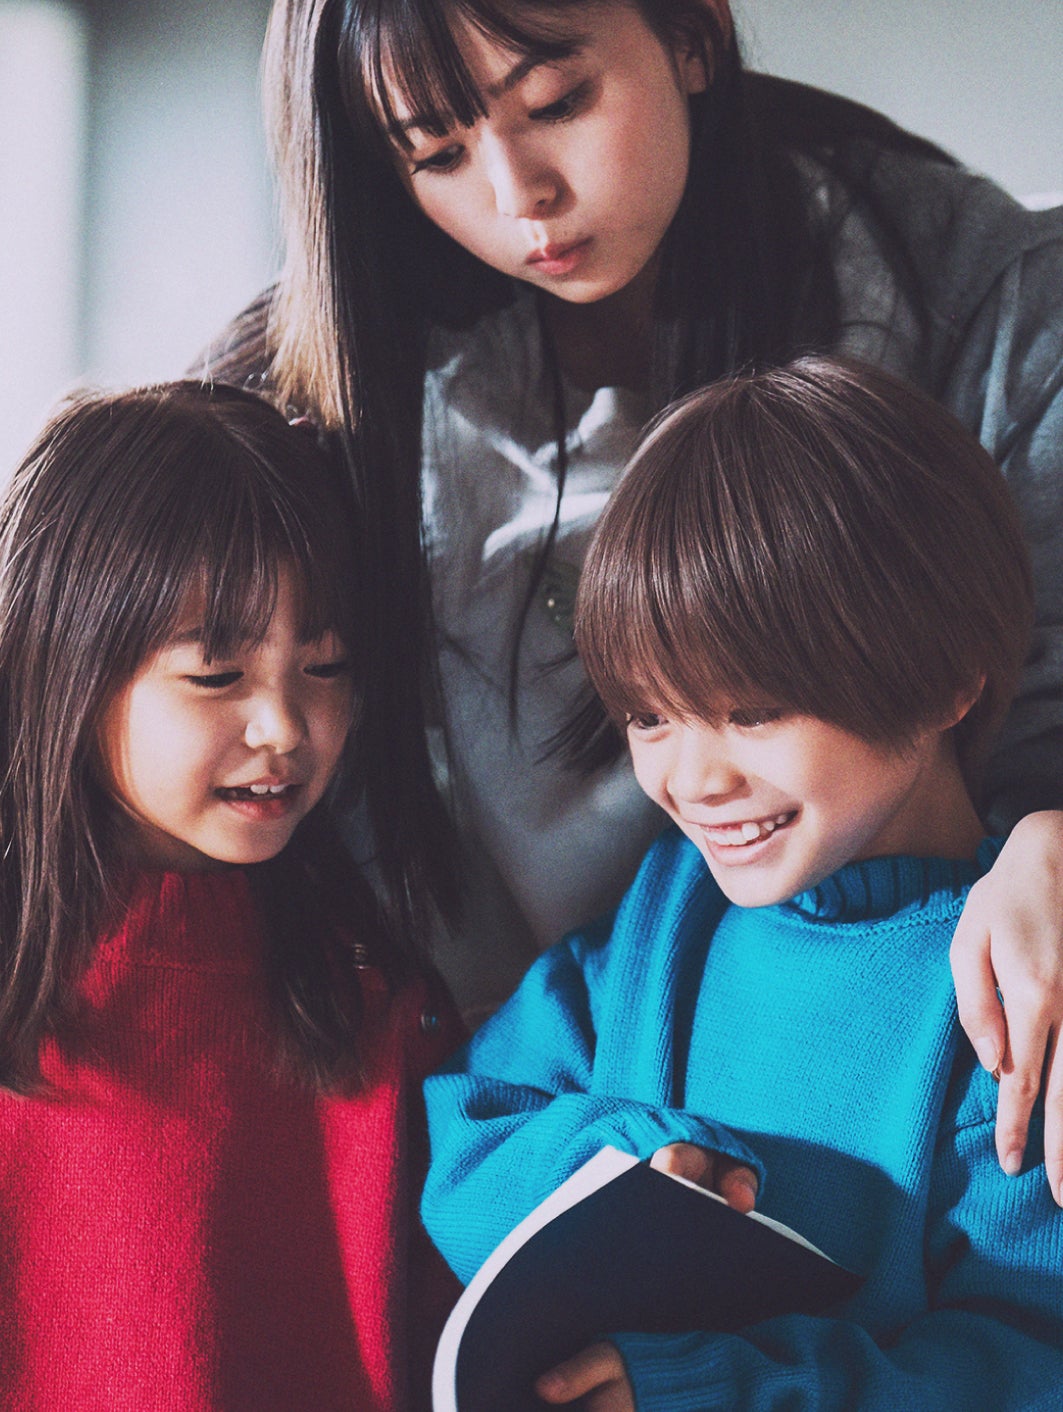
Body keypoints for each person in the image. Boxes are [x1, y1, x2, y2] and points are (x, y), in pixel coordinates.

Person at [200, 0, 1063, 1193]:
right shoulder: (308, 387)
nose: (518, 197)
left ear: (694, 37)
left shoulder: (986, 302)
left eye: (557, 103)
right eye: (436, 153)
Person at [421, 357, 1063, 1409]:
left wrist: (725, 1388)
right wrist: (620, 1165)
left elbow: (1030, 1357)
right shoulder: (667, 914)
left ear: (948, 679)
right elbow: (468, 1119)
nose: (693, 777)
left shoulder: (1010, 990)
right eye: (649, 716)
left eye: (754, 710)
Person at [0, 381, 461, 1412]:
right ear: (65, 665)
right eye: (217, 675)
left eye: (326, 666)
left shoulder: (374, 998)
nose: (286, 728)